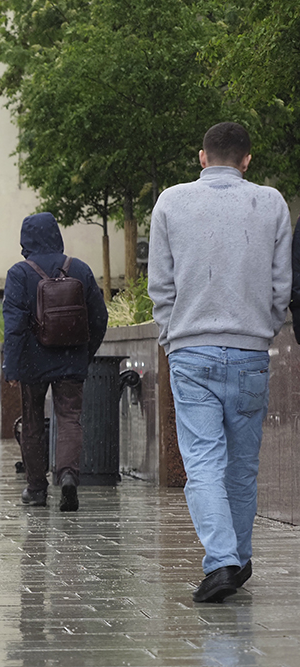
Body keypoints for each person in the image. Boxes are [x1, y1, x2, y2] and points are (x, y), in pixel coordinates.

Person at [148, 121, 291, 603]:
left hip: (191, 350)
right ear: (247, 159)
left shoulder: (170, 202)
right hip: (250, 351)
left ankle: (223, 561)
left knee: (203, 462)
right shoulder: (272, 203)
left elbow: (160, 284)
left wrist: (171, 337)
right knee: (243, 466)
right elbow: (281, 285)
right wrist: (263, 328)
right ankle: (239, 558)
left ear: (202, 157)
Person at [2, 212, 108, 512]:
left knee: (33, 422)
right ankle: (68, 477)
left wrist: (11, 366)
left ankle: (36, 489)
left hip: (32, 362)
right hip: (71, 358)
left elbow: (14, 326)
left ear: (25, 240)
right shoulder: (80, 269)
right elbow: (100, 317)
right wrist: (85, 353)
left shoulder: (20, 273)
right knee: (70, 419)